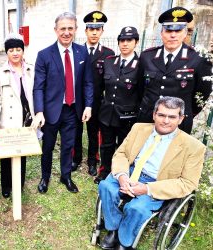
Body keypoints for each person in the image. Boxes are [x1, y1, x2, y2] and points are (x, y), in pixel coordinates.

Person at [98, 96, 205, 250]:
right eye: (161, 115)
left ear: (180, 119)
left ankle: (124, 241)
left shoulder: (194, 147)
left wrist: (147, 188)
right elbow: (121, 154)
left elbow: (187, 183)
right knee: (105, 186)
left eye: (172, 117)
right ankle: (113, 229)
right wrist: (122, 176)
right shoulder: (139, 128)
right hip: (130, 172)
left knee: (136, 209)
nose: (166, 121)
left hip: (157, 182)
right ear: (154, 114)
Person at [33, 12, 93, 194]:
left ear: (75, 29)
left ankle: (66, 176)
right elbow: (38, 87)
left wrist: (88, 105)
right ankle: (45, 177)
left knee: (68, 145)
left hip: (72, 110)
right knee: (48, 147)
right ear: (55, 30)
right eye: (63, 29)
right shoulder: (44, 55)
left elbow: (88, 81)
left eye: (70, 28)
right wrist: (39, 111)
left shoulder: (82, 52)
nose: (66, 32)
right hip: (51, 111)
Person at [137, 6, 212, 134]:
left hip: (179, 123)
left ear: (185, 33)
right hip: (148, 119)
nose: (173, 35)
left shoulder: (198, 59)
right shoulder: (147, 56)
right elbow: (139, 89)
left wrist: (183, 112)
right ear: (162, 33)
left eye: (178, 31)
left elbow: (202, 94)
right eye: (168, 30)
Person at [0, 33, 35, 198]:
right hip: (7, 120)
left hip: (25, 119)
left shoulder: (31, 69)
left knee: (22, 154)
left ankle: (19, 185)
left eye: (18, 49)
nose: (15, 53)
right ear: (6, 52)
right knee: (6, 156)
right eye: (11, 50)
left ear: (23, 51)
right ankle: (6, 186)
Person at [95, 27, 141, 184]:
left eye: (129, 40)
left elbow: (142, 93)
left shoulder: (141, 65)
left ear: (136, 42)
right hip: (107, 114)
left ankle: (120, 173)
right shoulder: (109, 62)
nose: (125, 44)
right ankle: (105, 170)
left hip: (127, 117)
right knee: (106, 145)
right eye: (122, 40)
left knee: (123, 147)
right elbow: (100, 86)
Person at [72, 11, 114, 176]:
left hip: (96, 101)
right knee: (76, 130)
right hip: (77, 99)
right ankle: (76, 158)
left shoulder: (108, 54)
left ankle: (92, 160)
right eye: (91, 29)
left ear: (102, 31)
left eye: (98, 29)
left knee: (93, 132)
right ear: (86, 31)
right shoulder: (76, 51)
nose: (94, 32)